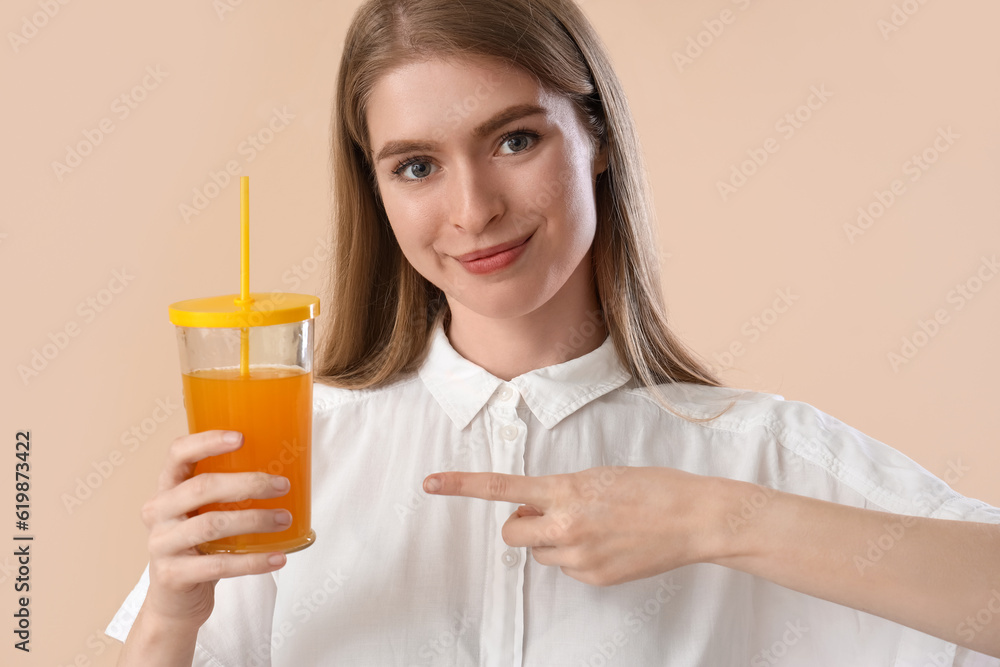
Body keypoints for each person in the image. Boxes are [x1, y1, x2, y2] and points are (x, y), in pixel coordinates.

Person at [107, 0, 1000, 664]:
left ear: (596, 136)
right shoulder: (296, 462)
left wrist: (714, 517)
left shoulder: (752, 450)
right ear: (376, 191)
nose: (473, 211)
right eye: (416, 165)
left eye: (514, 140)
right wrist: (169, 619)